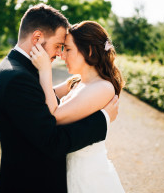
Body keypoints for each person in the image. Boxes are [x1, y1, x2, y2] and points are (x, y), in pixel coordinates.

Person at [0, 4, 119, 193]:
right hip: (32, 184)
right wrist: (103, 119)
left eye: (65, 48)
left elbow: (40, 100)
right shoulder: (18, 79)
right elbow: (52, 140)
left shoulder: (19, 70)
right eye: (59, 46)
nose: (60, 54)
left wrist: (53, 81)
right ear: (37, 38)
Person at [30, 21, 125, 192]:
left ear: (88, 50)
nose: (62, 55)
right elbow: (45, 95)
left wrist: (45, 70)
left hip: (89, 178)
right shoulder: (75, 82)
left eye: (67, 49)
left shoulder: (103, 88)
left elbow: (55, 115)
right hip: (67, 171)